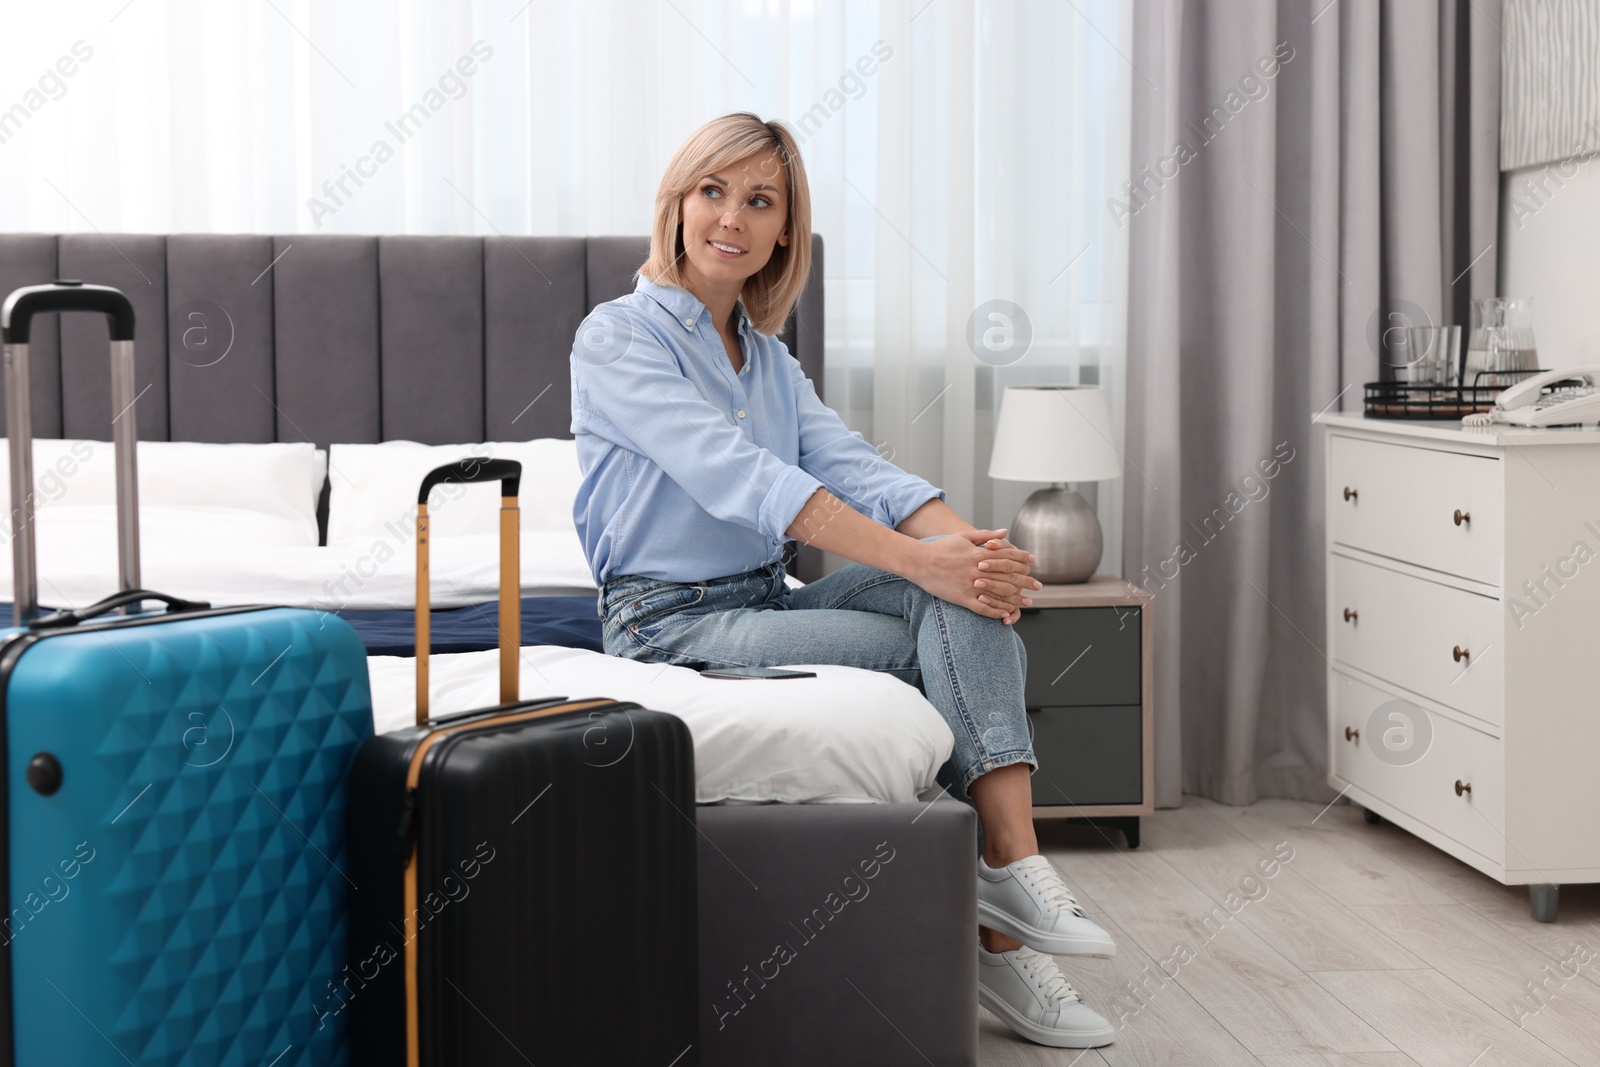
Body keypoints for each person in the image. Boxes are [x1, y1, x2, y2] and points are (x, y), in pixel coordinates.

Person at [569, 111, 1117, 1050]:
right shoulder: (617, 338)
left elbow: (861, 470)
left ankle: (1005, 898)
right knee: (933, 613)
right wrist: (921, 562)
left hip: (761, 601)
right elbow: (745, 479)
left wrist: (976, 558)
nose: (731, 217)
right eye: (713, 190)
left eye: (760, 200)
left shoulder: (769, 359)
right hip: (667, 623)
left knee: (960, 596)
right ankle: (1012, 883)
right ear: (676, 199)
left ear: (785, 230)